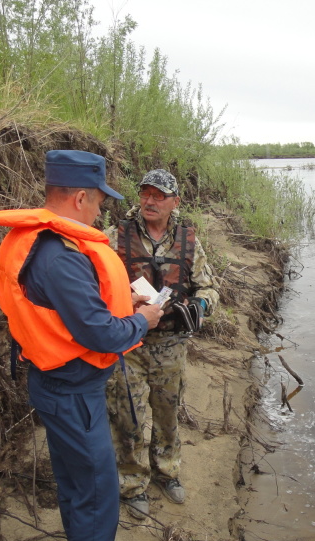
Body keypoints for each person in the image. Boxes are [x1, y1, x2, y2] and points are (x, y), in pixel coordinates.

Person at [0, 150, 164, 541]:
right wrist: (144, 321)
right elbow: (101, 333)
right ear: (81, 197)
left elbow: (68, 306)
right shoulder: (61, 255)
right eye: (100, 202)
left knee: (74, 483)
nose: (102, 210)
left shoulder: (36, 241)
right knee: (97, 494)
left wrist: (121, 298)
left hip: (55, 382)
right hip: (70, 390)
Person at [106, 168, 219, 521]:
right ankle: (131, 484)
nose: (150, 201)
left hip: (171, 345)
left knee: (168, 415)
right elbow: (92, 288)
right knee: (127, 416)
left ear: (175, 202)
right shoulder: (112, 238)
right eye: (145, 193)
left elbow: (209, 288)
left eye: (159, 195)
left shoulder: (188, 241)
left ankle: (167, 472)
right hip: (127, 345)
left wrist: (200, 307)